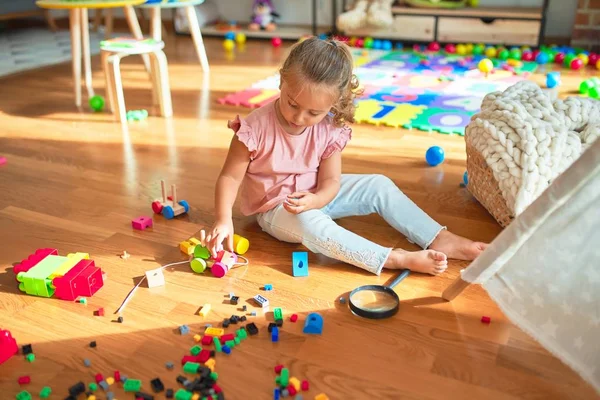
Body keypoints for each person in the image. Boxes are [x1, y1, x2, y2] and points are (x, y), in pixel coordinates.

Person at [205, 37, 487, 276]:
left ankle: (439, 237)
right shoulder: (253, 129)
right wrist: (223, 219)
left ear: (332, 104)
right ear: (281, 80)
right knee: (311, 225)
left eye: (313, 113)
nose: (299, 118)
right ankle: (392, 258)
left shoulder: (330, 127)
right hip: (276, 208)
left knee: (378, 184)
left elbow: (331, 181)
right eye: (292, 103)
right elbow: (230, 177)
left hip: (317, 193)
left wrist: (317, 200)